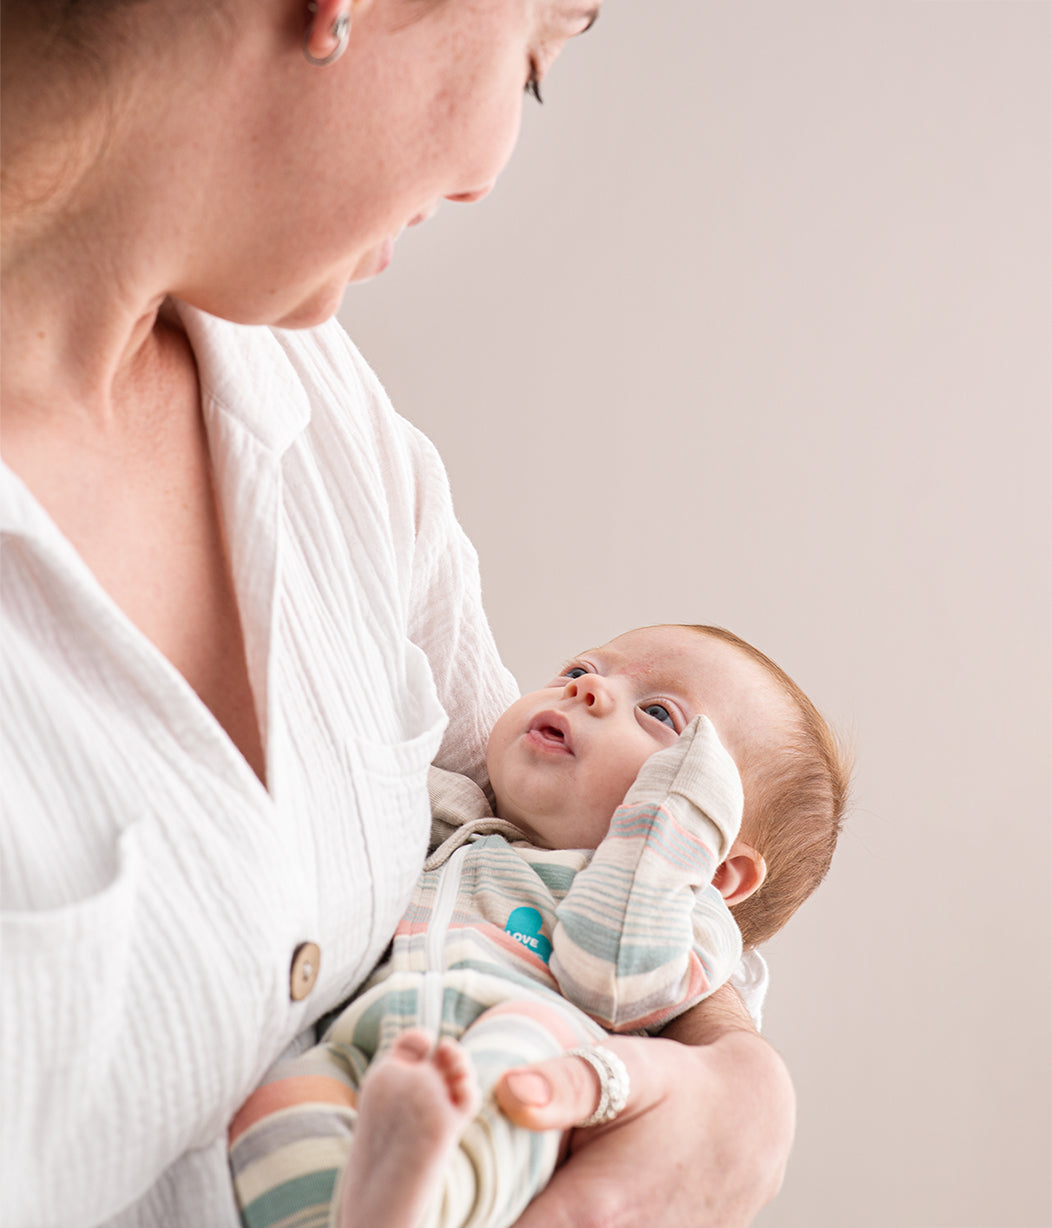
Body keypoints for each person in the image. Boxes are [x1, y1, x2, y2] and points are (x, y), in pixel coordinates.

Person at [1, 2, 796, 1225]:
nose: (485, 174)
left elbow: (562, 824)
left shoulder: (332, 428)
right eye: (529, 70)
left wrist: (740, 1083)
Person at [228, 623, 849, 1228]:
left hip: (510, 1074)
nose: (588, 691)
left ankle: (426, 1194)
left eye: (659, 716)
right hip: (363, 1045)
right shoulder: (461, 818)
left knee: (530, 1039)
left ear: (713, 867)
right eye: (581, 670)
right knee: (276, 1102)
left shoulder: (688, 925)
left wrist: (660, 841)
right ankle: (369, 1208)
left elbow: (610, 979)